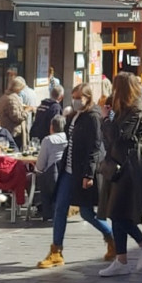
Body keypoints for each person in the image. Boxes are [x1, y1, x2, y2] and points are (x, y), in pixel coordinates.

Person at [37, 83, 115, 268]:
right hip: (68, 170)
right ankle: (56, 251)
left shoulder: (93, 117)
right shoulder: (74, 116)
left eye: (79, 96)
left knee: (87, 213)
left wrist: (88, 174)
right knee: (60, 208)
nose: (76, 100)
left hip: (82, 172)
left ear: (88, 97)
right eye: (73, 96)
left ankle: (111, 237)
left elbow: (95, 147)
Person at [97, 72, 142, 276]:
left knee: (120, 210)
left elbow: (121, 136)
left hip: (131, 162)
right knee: (114, 212)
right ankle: (121, 260)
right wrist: (108, 117)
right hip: (116, 160)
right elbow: (110, 138)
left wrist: (106, 120)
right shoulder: (119, 106)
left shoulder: (137, 108)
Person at [32, 114, 68, 222]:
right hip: (66, 172)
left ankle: (41, 207)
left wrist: (36, 169)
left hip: (52, 174)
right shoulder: (69, 138)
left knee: (32, 178)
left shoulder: (48, 140)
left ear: (51, 127)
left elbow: (41, 165)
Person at [0, 78, 31, 148]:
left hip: (7, 130)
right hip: (13, 132)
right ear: (18, 88)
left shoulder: (4, 96)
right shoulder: (11, 99)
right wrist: (27, 110)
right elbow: (16, 117)